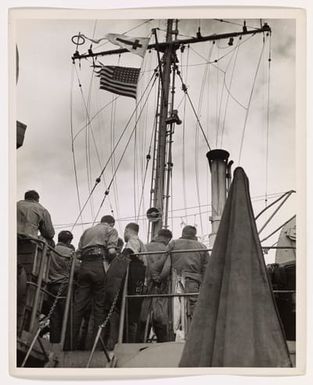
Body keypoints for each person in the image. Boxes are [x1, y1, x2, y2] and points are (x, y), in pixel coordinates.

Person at [72, 215, 118, 349]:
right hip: (99, 265)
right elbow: (111, 251)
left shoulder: (87, 231)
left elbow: (78, 253)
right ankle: (96, 347)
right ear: (111, 223)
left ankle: (70, 344)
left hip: (84, 266)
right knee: (99, 307)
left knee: (78, 306)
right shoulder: (110, 230)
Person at [159, 225, 209, 340]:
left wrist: (157, 276)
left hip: (175, 282)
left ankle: (173, 336)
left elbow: (163, 261)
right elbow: (207, 268)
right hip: (193, 282)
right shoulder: (202, 246)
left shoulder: (174, 244)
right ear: (194, 235)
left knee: (174, 310)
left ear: (182, 233)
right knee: (193, 309)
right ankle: (193, 337)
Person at [16, 190, 55, 334]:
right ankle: (22, 324)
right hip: (28, 246)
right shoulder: (41, 209)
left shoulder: (15, 205)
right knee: (28, 284)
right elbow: (49, 233)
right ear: (37, 200)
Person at [137, 228, 173, 343]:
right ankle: (163, 344)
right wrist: (159, 278)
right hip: (159, 286)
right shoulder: (166, 249)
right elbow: (167, 268)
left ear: (157, 236)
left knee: (143, 316)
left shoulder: (145, 247)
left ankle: (139, 342)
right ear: (167, 239)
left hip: (144, 285)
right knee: (160, 316)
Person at [47, 230, 75, 345]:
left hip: (50, 285)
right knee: (66, 316)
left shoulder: (50, 250)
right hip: (64, 286)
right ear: (69, 241)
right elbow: (77, 268)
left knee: (54, 317)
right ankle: (65, 344)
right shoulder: (70, 252)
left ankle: (53, 343)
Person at [123, 222, 147, 343]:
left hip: (134, 276)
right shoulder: (142, 243)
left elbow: (130, 253)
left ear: (127, 230)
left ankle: (130, 341)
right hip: (140, 276)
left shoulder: (133, 240)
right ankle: (134, 339)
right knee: (135, 311)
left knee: (131, 311)